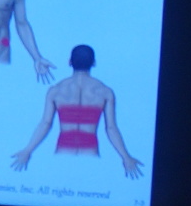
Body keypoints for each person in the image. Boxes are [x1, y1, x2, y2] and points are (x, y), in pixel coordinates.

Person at [12, 44, 143, 178]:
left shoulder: (56, 90)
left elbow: (45, 124)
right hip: (91, 154)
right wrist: (126, 157)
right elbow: (111, 128)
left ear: (70, 62)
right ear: (94, 62)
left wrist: (27, 150)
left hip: (62, 154)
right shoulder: (105, 92)